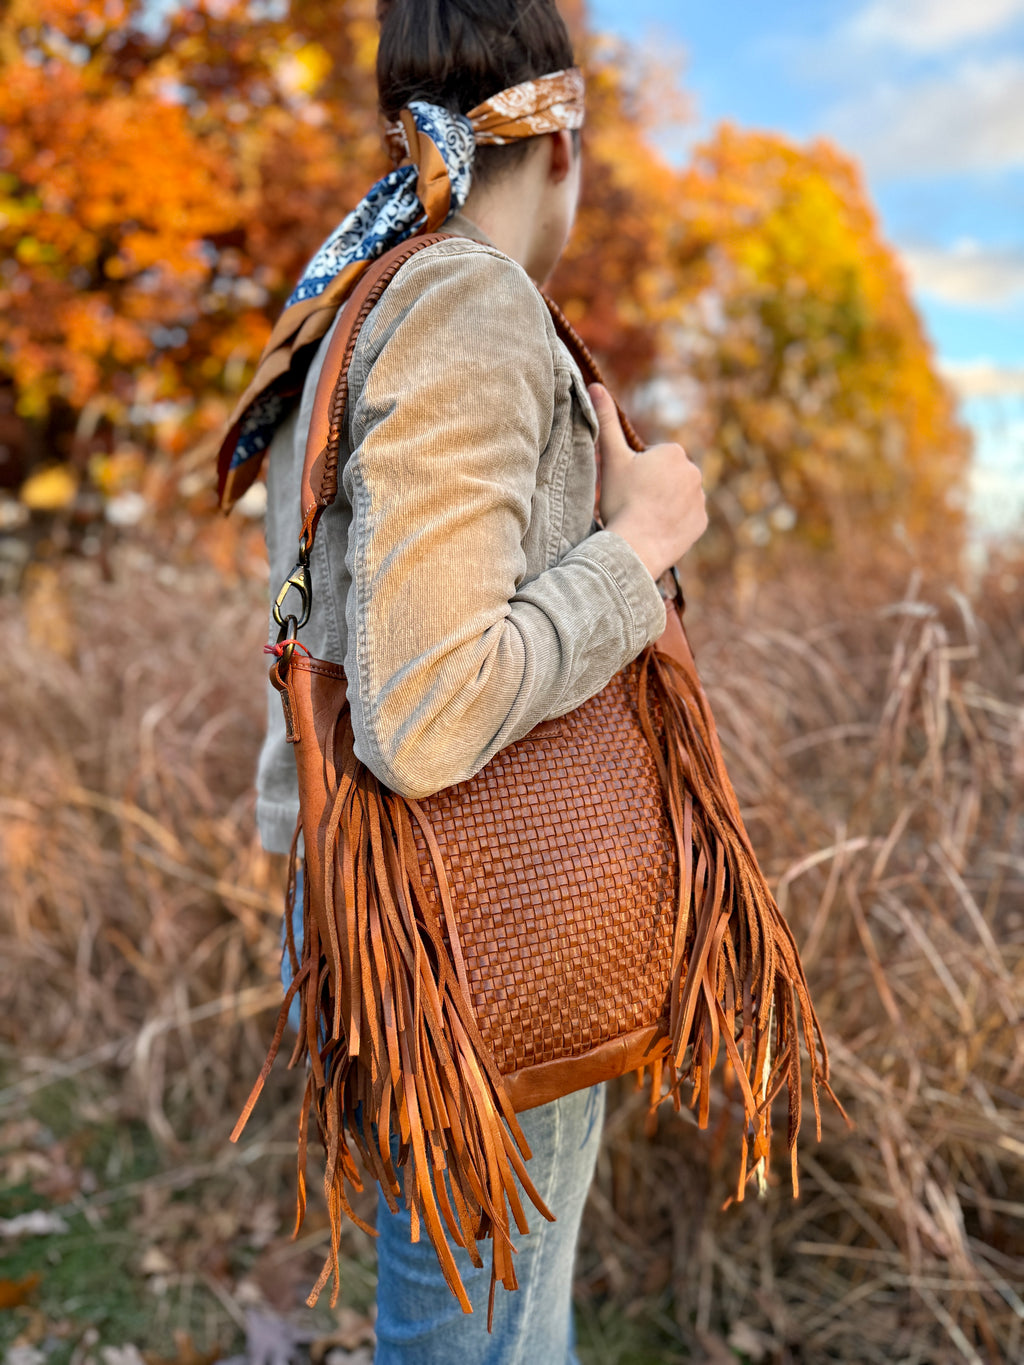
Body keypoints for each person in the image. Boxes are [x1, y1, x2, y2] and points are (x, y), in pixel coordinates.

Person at [219, 1, 707, 1359]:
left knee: (479, 1317)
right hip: (480, 924)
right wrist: (643, 543)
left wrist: (313, 887)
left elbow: (324, 642)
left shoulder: (352, 297)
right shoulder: (468, 300)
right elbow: (427, 714)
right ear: (564, 144)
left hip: (388, 904)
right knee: (482, 1337)